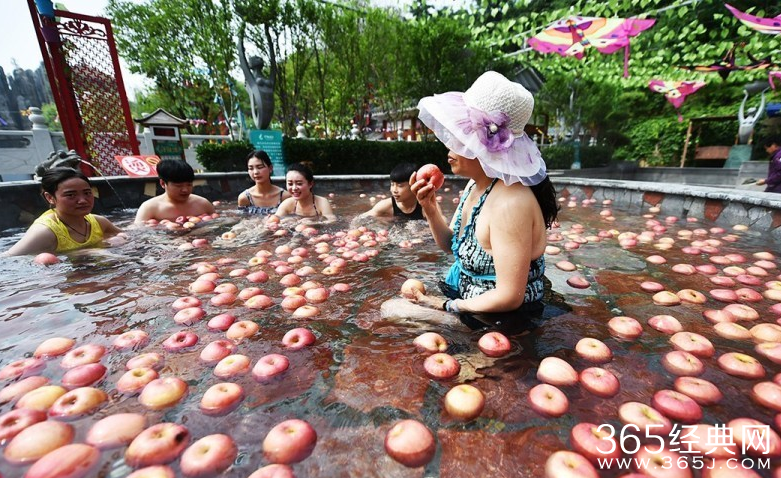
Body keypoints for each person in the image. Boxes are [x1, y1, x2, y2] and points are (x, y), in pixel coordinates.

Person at [408, 71, 559, 324]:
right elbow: (451, 246)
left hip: (502, 320)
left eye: (460, 136)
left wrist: (444, 305)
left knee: (392, 311)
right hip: (469, 301)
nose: (449, 147)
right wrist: (430, 209)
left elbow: (510, 295)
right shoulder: (476, 185)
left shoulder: (511, 203)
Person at [4, 168, 122, 256]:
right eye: (70, 195)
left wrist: (119, 238)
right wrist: (85, 252)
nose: (82, 200)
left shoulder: (99, 222)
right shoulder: (45, 232)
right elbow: (7, 259)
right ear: (50, 197)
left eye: (87, 193)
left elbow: (127, 235)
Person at [134, 159, 215, 224]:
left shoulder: (203, 204)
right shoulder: (150, 208)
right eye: (178, 185)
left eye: (189, 184)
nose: (185, 190)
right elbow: (137, 232)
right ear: (163, 183)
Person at [362, 163, 426, 220]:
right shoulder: (386, 206)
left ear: (414, 184)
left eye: (400, 185)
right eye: (392, 184)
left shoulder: (425, 207)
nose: (394, 190)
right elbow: (361, 219)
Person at [238, 150, 290, 215]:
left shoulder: (284, 196)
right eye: (251, 168)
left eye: (260, 167)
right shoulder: (244, 198)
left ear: (270, 168)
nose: (255, 172)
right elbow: (243, 220)